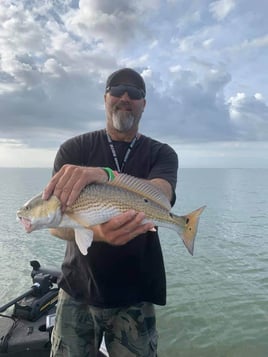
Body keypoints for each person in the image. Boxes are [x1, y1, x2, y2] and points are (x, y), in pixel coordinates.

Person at [43, 68, 178, 357]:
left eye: (136, 93)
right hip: (77, 288)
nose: (125, 97)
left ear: (144, 103)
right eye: (117, 90)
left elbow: (161, 194)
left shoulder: (162, 153)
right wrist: (97, 233)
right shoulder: (73, 150)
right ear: (105, 98)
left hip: (136, 295)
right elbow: (55, 223)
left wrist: (105, 175)